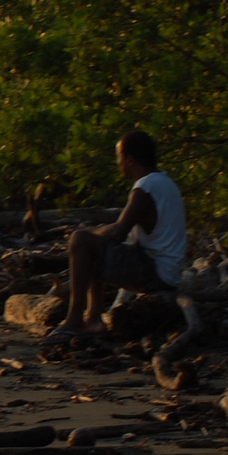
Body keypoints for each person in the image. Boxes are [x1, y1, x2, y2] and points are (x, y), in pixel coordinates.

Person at [48, 131, 187, 343]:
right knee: (90, 242)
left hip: (155, 273)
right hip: (166, 272)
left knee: (80, 241)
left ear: (130, 160)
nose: (118, 163)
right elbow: (120, 230)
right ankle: (93, 318)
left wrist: (85, 234)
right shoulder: (164, 182)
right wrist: (92, 231)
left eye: (119, 157)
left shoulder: (145, 187)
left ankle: (75, 320)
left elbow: (118, 233)